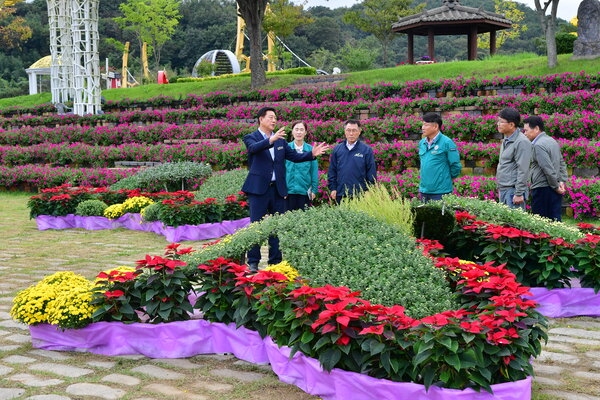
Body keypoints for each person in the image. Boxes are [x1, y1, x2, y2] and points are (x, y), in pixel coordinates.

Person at [241, 107, 330, 272]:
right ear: (261, 119)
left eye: (275, 118)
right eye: (270, 117)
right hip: (258, 189)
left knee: (277, 227)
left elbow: (295, 157)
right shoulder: (251, 137)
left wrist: (311, 154)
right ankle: (253, 262)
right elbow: (253, 149)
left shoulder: (281, 141)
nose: (274, 120)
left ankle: (275, 262)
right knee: (256, 226)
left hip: (278, 190)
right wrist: (271, 140)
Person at [522, 115, 568, 221]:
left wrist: (556, 186)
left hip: (542, 188)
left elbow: (547, 168)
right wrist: (561, 182)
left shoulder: (538, 145)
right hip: (553, 186)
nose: (524, 134)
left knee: (541, 222)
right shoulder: (551, 141)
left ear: (537, 129)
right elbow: (561, 162)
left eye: (526, 130)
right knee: (555, 220)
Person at [327, 119, 377, 204]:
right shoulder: (337, 149)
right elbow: (332, 171)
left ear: (359, 132)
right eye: (348, 130)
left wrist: (369, 190)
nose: (351, 133)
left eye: (354, 130)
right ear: (345, 131)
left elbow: (371, 172)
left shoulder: (366, 150)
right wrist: (333, 188)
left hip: (360, 194)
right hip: (340, 193)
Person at [418, 112, 462, 202]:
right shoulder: (422, 143)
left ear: (435, 127)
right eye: (422, 125)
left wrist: (447, 179)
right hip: (424, 190)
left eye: (426, 125)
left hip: (441, 191)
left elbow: (455, 165)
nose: (423, 128)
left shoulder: (447, 142)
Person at [495, 107, 532, 210]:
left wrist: (519, 193)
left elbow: (523, 169)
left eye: (501, 122)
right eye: (498, 121)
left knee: (514, 224)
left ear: (511, 125)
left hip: (513, 191)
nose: (498, 124)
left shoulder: (521, 142)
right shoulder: (506, 139)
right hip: (504, 188)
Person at [285, 121, 319, 211]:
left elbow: (314, 171)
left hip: (304, 191)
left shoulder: (311, 150)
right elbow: (281, 170)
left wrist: (314, 190)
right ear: (292, 131)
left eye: (301, 130)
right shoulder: (286, 148)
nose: (299, 132)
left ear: (305, 132)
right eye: (296, 129)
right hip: (288, 192)